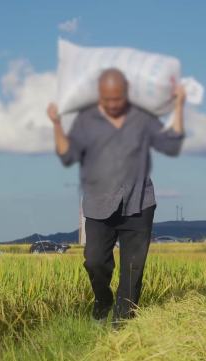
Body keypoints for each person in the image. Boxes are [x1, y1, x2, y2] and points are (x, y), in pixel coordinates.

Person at [46, 68, 186, 326]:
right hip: (99, 203)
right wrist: (56, 124)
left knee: (133, 271)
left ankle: (122, 327)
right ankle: (103, 300)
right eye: (107, 99)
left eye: (117, 98)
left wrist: (179, 105)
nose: (112, 104)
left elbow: (171, 142)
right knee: (95, 260)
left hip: (139, 201)